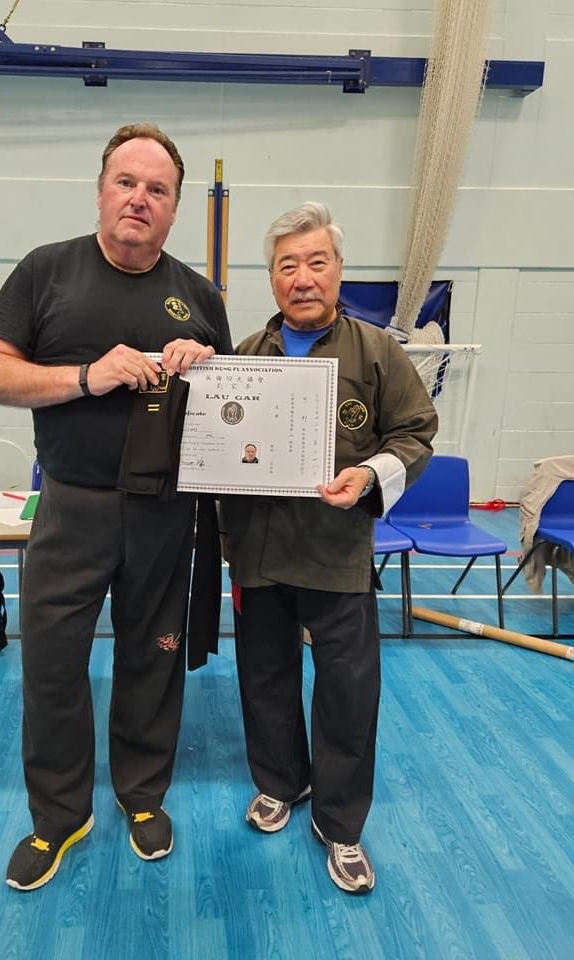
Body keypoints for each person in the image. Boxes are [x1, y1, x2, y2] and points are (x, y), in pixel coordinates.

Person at [0, 123, 233, 892]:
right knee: (53, 665)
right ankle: (59, 817)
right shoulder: (45, 272)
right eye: (127, 182)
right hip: (72, 509)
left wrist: (208, 369)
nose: (139, 199)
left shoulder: (200, 295)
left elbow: (231, 415)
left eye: (157, 190)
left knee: (152, 660)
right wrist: (86, 376)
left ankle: (142, 796)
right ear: (101, 189)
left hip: (163, 514)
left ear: (175, 209)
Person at [221, 201, 438, 894]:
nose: (304, 277)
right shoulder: (245, 360)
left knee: (347, 692)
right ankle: (281, 785)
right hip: (258, 552)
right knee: (265, 680)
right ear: (273, 279)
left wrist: (370, 473)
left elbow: (416, 431)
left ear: (339, 271)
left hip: (338, 553)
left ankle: (341, 825)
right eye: (289, 265)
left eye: (318, 262)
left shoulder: (377, 352)